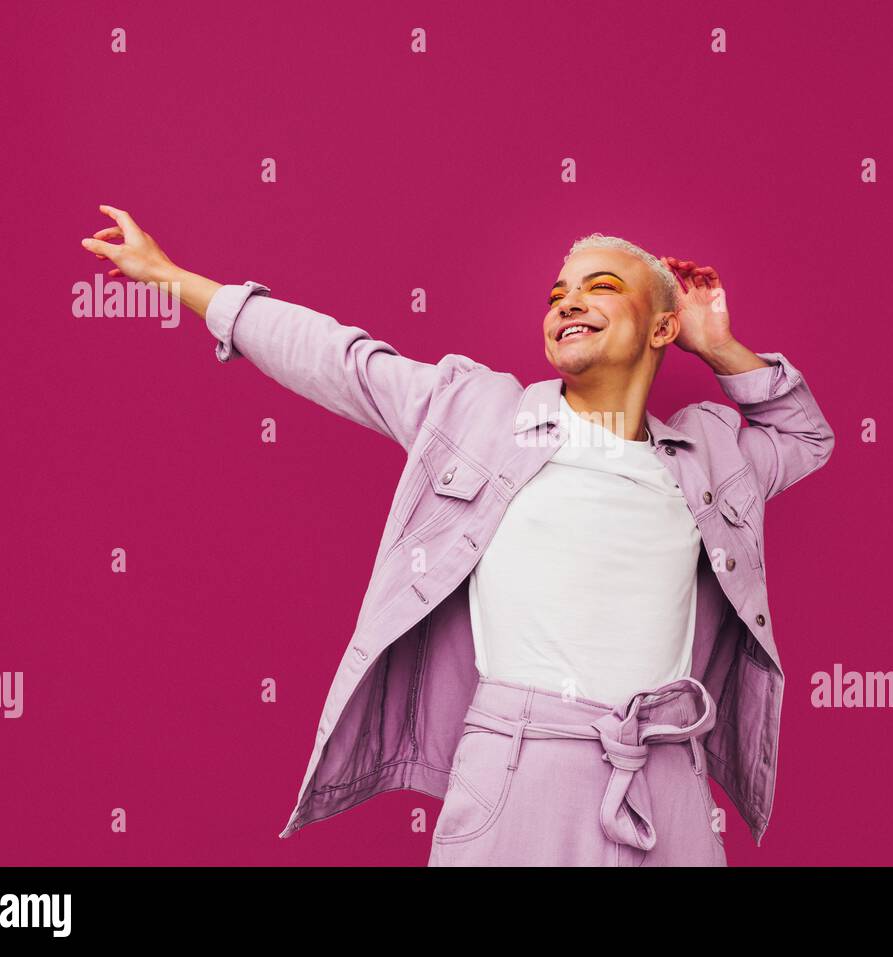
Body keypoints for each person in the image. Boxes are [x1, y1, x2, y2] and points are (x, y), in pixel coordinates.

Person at [81, 205, 836, 866]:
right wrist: (173, 277)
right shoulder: (477, 412)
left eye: (599, 286)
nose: (568, 301)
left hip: (666, 768)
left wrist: (715, 343)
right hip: (521, 767)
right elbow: (340, 361)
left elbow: (806, 437)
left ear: (661, 325)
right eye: (557, 293)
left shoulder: (708, 454)